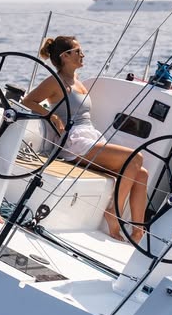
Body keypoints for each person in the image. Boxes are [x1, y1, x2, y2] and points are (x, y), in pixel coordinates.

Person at [21, 36, 149, 242]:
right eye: (78, 51)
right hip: (74, 142)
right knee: (136, 158)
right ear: (65, 56)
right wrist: (51, 116)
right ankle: (114, 212)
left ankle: (137, 231)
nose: (83, 54)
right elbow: (29, 100)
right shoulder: (56, 81)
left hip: (90, 136)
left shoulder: (79, 83)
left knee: (141, 174)